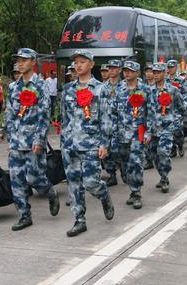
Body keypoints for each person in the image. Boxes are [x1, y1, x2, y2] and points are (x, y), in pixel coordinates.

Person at [60, 49, 114, 237]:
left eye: (83, 61)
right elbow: (64, 117)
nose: (78, 65)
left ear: (92, 64)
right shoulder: (68, 89)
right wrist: (64, 142)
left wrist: (104, 144)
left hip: (91, 142)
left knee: (91, 182)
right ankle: (79, 220)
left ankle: (103, 194)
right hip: (70, 144)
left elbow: (107, 118)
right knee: (73, 183)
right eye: (76, 62)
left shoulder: (101, 89)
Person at [6, 48, 60, 231]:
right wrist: (10, 137)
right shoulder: (13, 87)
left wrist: (39, 140)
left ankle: (51, 193)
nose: (20, 63)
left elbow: (45, 115)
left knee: (35, 178)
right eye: (18, 60)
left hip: (33, 140)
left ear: (33, 62)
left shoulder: (41, 85)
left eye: (24, 60)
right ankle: (24, 214)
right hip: (16, 141)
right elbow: (10, 114)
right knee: (16, 179)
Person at [111, 61, 151, 209]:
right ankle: (132, 188)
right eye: (125, 71)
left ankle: (136, 192)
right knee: (126, 164)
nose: (126, 73)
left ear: (137, 73)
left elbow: (151, 112)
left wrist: (149, 131)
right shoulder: (119, 90)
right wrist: (113, 133)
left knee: (136, 163)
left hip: (138, 133)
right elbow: (114, 112)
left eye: (130, 71)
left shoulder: (145, 89)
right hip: (122, 134)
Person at [147, 63, 184, 193]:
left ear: (165, 73)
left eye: (158, 72)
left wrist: (176, 121)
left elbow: (181, 107)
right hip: (153, 128)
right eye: (154, 72)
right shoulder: (149, 90)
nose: (155, 74)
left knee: (163, 152)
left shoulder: (173, 90)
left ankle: (164, 177)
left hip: (167, 127)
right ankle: (162, 174)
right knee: (154, 155)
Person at [101, 60, 123, 186]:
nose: (111, 70)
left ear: (120, 70)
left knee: (120, 151)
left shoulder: (125, 86)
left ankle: (124, 170)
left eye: (114, 68)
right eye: (110, 68)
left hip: (122, 124)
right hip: (106, 124)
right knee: (107, 151)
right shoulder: (102, 87)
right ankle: (111, 174)